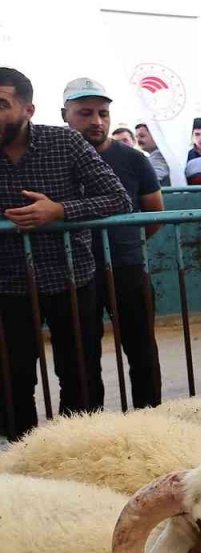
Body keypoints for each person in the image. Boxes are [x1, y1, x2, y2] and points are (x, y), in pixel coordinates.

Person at [0, 68, 131, 438]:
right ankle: (21, 456)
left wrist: (59, 211)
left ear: (28, 110)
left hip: (71, 279)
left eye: (2, 104)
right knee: (11, 378)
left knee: (80, 374)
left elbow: (118, 198)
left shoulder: (65, 142)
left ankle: (78, 449)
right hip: (7, 285)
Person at [61, 77, 163, 410]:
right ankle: (89, 424)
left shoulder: (134, 159)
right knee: (81, 354)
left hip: (127, 266)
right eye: (85, 113)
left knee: (142, 349)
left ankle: (150, 420)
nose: (96, 121)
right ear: (64, 115)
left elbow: (155, 213)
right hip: (74, 271)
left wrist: (128, 242)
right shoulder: (54, 159)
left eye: (103, 113)